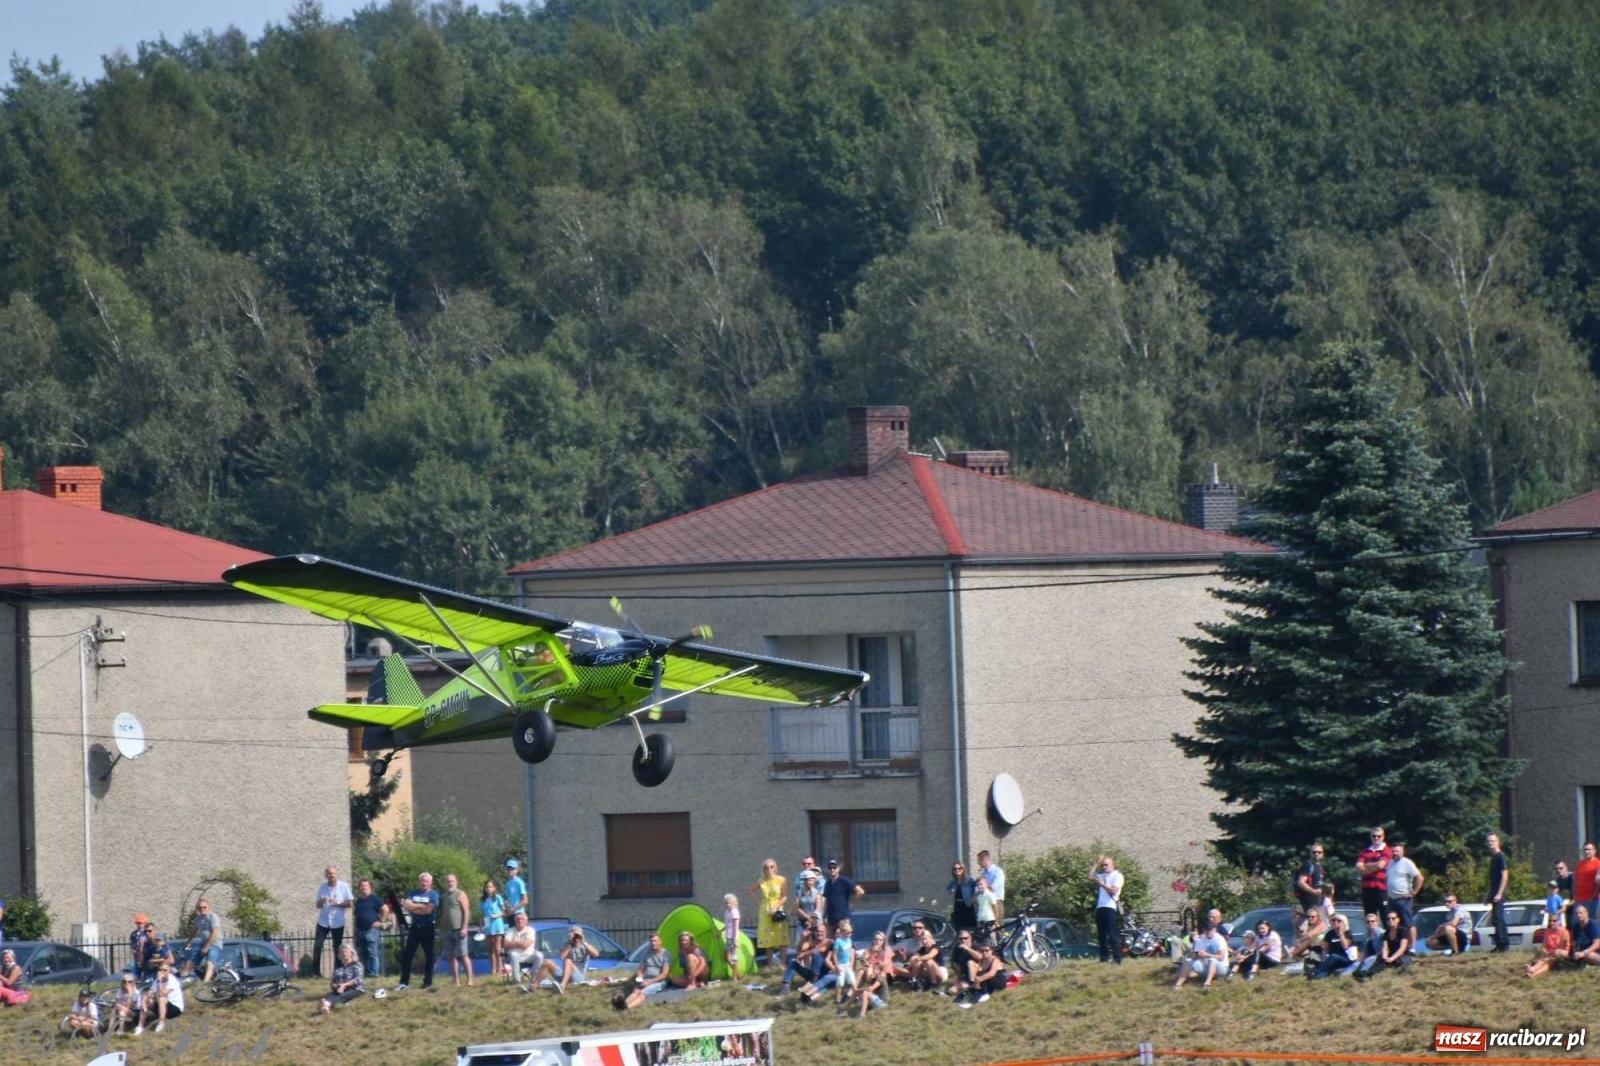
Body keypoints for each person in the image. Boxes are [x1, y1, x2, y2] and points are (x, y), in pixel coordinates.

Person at [396, 871, 439, 991]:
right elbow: (407, 905)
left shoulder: (433, 894)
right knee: (407, 954)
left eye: (426, 881)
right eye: (422, 881)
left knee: (429, 955)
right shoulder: (413, 892)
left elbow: (428, 910)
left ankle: (427, 981)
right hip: (415, 927)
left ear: (430, 883)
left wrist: (415, 907)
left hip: (428, 927)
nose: (424, 883)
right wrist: (420, 906)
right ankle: (404, 981)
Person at [313, 865, 354, 979]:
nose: (331, 876)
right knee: (317, 945)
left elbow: (350, 904)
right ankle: (315, 973)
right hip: (323, 921)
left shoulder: (343, 886)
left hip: (337, 922)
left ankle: (338, 971)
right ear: (326, 875)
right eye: (329, 873)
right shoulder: (323, 887)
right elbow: (317, 905)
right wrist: (322, 901)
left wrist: (339, 903)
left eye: (333, 873)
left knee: (337, 947)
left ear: (337, 874)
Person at [748, 860, 790, 971]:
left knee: (781, 937)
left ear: (775, 868)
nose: (769, 869)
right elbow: (750, 891)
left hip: (777, 907)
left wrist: (776, 907)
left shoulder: (781, 880)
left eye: (771, 867)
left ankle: (783, 964)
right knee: (767, 938)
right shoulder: (762, 881)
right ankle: (770, 965)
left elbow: (785, 896)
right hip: (765, 909)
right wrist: (760, 904)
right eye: (767, 867)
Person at [1385, 841, 1423, 951]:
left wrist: (1413, 892)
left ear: (1402, 851)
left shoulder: (1407, 863)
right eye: (1393, 851)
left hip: (1403, 898)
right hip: (1391, 899)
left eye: (1397, 851)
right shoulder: (1390, 863)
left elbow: (1419, 878)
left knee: (1408, 923)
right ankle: (1396, 947)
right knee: (1392, 924)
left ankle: (1413, 948)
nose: (1395, 853)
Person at [504, 912, 559, 990]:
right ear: (515, 921)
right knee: (513, 954)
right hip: (515, 957)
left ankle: (535, 980)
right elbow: (505, 944)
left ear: (526, 921)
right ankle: (516, 981)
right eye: (518, 919)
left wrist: (513, 943)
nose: (520, 921)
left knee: (539, 955)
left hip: (529, 956)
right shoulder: (511, 931)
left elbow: (525, 945)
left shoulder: (530, 930)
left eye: (522, 919)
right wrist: (520, 943)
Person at [439, 873, 473, 988]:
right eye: (448, 881)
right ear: (445, 883)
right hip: (448, 930)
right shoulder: (444, 897)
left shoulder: (460, 894)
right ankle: (456, 981)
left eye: (452, 881)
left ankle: (470, 980)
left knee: (463, 955)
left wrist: (464, 927)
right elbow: (443, 914)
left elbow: (466, 911)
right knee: (451, 956)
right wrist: (442, 930)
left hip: (459, 929)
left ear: (456, 882)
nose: (450, 883)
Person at [619, 934, 670, 1010]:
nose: (653, 943)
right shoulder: (646, 953)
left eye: (655, 941)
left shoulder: (666, 954)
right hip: (646, 979)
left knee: (643, 993)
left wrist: (648, 983)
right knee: (636, 991)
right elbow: (641, 969)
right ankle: (622, 1005)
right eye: (651, 941)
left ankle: (627, 1008)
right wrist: (639, 979)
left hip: (659, 981)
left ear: (660, 942)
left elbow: (664, 975)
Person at [1174, 921, 1229, 989]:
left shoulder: (1219, 939)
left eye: (1210, 930)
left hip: (1221, 968)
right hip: (1206, 967)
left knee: (1213, 960)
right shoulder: (1200, 940)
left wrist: (1207, 955)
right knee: (1188, 961)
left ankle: (1207, 984)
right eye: (1206, 930)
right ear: (1203, 930)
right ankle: (1178, 985)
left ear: (1214, 930)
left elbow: (1221, 957)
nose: (1208, 932)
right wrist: (1197, 954)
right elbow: (1195, 956)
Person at [180, 898, 222, 982]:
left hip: (214, 944)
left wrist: (207, 947)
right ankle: (181, 981)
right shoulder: (198, 919)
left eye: (204, 907)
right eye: (200, 907)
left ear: (208, 907)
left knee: (209, 963)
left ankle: (205, 983)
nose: (202, 909)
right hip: (203, 943)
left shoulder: (212, 917)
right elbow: (193, 931)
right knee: (189, 963)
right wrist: (188, 942)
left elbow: (215, 933)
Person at [352, 879, 388, 978]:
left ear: (370, 887)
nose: (364, 888)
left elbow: (385, 909)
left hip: (371, 930)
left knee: (372, 952)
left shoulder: (375, 899)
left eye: (366, 886)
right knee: (363, 953)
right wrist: (355, 930)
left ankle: (374, 973)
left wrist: (381, 921)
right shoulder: (358, 901)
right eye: (362, 886)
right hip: (360, 930)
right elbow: (356, 917)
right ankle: (367, 973)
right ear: (359, 888)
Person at [135, 962, 184, 1034]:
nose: (162, 972)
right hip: (163, 1007)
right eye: (160, 970)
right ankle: (140, 1026)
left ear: (169, 971)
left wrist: (159, 981)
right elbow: (150, 992)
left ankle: (161, 1024)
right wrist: (144, 1000)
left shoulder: (173, 981)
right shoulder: (157, 981)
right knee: (146, 999)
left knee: (161, 999)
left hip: (175, 1009)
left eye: (165, 970)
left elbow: (162, 993)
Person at [1355, 826, 1392, 921]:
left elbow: (1381, 865)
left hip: (1381, 888)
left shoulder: (1386, 850)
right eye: (1374, 836)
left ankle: (1387, 936)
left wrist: (1365, 866)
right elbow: (1358, 867)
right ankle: (1372, 935)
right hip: (1367, 888)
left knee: (1385, 917)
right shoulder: (1365, 852)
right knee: (1369, 917)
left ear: (1383, 837)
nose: (1376, 838)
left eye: (1379, 836)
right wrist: (1374, 867)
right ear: (1371, 837)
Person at [1093, 853, 1124, 964]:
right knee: (1101, 934)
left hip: (1110, 907)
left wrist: (1102, 885)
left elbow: (1114, 891)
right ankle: (1104, 958)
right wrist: (1096, 863)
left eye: (1106, 865)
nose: (1104, 867)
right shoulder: (1102, 876)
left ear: (1112, 865)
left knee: (1112, 934)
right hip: (1100, 907)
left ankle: (1117, 959)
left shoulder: (1117, 876)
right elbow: (1090, 875)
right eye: (1102, 866)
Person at [1309, 914, 1360, 979]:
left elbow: (1345, 946)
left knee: (1333, 956)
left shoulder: (1348, 933)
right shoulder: (1330, 933)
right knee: (1320, 976)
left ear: (1344, 922)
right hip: (1332, 960)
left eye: (1338, 921)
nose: (1336, 922)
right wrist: (1324, 958)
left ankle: (1315, 971)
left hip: (1345, 959)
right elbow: (1325, 949)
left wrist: (1340, 933)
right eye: (1334, 920)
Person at [783, 921, 827, 992]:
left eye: (821, 932)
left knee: (816, 954)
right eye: (817, 931)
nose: (819, 933)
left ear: (825, 932)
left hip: (823, 975)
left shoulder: (828, 941)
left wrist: (804, 954)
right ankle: (786, 986)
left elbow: (819, 950)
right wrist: (803, 937)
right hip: (812, 974)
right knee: (792, 961)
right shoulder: (813, 942)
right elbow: (800, 949)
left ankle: (814, 983)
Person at [958, 943, 1006, 1007]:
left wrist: (979, 979)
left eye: (987, 950)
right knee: (976, 986)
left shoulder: (995, 960)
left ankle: (985, 994)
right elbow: (978, 971)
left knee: (983, 977)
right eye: (982, 951)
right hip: (988, 982)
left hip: (999, 982)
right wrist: (975, 982)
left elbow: (991, 974)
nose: (984, 952)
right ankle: (971, 1002)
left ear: (991, 951)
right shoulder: (982, 960)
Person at [320, 944, 365, 1013]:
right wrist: (335, 986)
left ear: (351, 953)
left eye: (346, 952)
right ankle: (326, 1006)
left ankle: (327, 1005)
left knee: (343, 996)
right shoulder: (338, 967)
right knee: (330, 995)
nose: (344, 954)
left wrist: (345, 985)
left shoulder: (357, 965)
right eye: (342, 952)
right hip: (339, 989)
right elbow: (333, 981)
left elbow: (358, 979)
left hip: (355, 989)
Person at [1485, 832, 1511, 952]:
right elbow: (1492, 879)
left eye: (1493, 841)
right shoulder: (1493, 857)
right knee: (1495, 919)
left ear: (1498, 842)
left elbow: (1504, 875)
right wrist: (1488, 895)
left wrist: (1499, 893)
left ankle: (1503, 945)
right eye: (1489, 841)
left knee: (1499, 918)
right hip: (1494, 892)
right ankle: (1499, 944)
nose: (1491, 843)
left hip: (1499, 893)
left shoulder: (1501, 856)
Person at [821, 860, 863, 932]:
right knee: (831, 942)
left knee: (843, 940)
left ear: (838, 869)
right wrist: (824, 916)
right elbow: (826, 900)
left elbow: (860, 891)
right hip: (831, 919)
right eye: (830, 868)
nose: (832, 869)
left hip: (843, 919)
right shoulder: (827, 883)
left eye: (834, 867)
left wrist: (850, 902)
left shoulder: (844, 881)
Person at [1524, 913, 1570, 978]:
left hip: (1561, 954)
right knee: (1542, 960)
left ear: (1559, 922)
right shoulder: (1547, 932)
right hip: (1549, 954)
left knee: (1548, 961)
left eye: (1554, 921)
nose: (1552, 922)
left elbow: (1560, 948)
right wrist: (1545, 952)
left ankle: (1534, 974)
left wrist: (1549, 954)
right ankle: (1532, 969)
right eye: (1550, 921)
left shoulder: (1564, 932)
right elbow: (1543, 946)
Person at [481, 880, 508, 980]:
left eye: (490, 887)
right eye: (487, 887)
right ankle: (492, 969)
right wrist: (480, 927)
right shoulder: (483, 900)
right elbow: (482, 914)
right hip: (488, 925)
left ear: (494, 888)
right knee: (490, 948)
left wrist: (497, 915)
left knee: (497, 947)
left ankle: (500, 968)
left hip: (497, 923)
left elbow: (503, 911)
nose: (488, 889)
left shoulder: (497, 898)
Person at [907, 925, 946, 990]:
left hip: (940, 971)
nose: (924, 941)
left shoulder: (936, 947)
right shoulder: (922, 949)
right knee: (917, 962)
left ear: (930, 939)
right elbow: (914, 957)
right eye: (922, 940)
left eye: (926, 939)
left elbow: (929, 956)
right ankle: (915, 981)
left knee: (928, 961)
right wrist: (914, 960)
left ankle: (933, 983)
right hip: (929, 972)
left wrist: (918, 959)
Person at [559, 926, 596, 992]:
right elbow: (562, 957)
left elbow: (595, 954)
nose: (576, 938)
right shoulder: (567, 945)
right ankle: (535, 987)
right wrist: (570, 944)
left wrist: (583, 942)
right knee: (547, 963)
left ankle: (562, 986)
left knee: (568, 961)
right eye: (574, 936)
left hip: (579, 976)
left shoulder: (585, 946)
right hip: (566, 975)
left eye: (578, 936)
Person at [1294, 843, 1327, 914]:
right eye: (1314, 852)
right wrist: (1314, 891)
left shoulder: (1320, 866)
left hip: (1318, 900)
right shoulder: (1308, 865)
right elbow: (1301, 882)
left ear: (1322, 854)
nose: (1316, 854)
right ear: (1310, 853)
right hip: (1309, 900)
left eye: (1319, 852)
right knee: (1312, 919)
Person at [828, 918, 856, 1005]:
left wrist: (851, 962)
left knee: (852, 980)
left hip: (847, 964)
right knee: (840, 983)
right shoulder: (838, 941)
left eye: (851, 932)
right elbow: (834, 955)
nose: (850, 934)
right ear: (843, 932)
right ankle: (838, 999)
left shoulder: (849, 940)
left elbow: (850, 952)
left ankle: (855, 996)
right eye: (848, 932)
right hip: (840, 964)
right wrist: (836, 966)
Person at [977, 850, 1006, 924]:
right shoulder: (983, 874)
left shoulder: (998, 872)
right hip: (986, 904)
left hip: (996, 902)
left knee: (998, 927)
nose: (978, 863)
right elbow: (978, 889)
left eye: (979, 860)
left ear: (984, 859)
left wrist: (983, 887)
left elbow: (993, 888)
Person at [947, 861, 977, 933]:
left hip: (967, 906)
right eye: (955, 869)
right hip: (958, 906)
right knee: (958, 929)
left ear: (963, 869)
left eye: (960, 868)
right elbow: (948, 890)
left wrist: (973, 898)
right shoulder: (953, 882)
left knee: (970, 929)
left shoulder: (969, 880)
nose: (957, 870)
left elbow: (978, 888)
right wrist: (950, 893)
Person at [795, 870, 825, 938]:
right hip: (802, 921)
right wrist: (807, 917)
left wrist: (812, 918)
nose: (811, 882)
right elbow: (797, 908)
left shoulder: (816, 893)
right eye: (809, 880)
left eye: (813, 880)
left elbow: (818, 908)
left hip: (814, 922)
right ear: (805, 881)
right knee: (801, 941)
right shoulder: (799, 893)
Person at [1575, 842, 1600, 922]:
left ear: (1594, 851)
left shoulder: (1598, 863)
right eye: (1585, 849)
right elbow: (1576, 880)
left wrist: (1594, 896)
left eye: (1589, 849)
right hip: (1579, 900)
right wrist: (1575, 895)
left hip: (1592, 900)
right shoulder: (1580, 864)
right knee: (1578, 924)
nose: (1586, 852)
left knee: (1592, 922)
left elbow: (1598, 883)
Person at [973, 874, 998, 946]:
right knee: (983, 940)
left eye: (981, 884)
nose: (980, 886)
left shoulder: (989, 894)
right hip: (981, 921)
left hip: (989, 921)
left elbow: (995, 907)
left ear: (986, 884)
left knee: (992, 940)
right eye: (978, 885)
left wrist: (996, 920)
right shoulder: (979, 896)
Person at [722, 893, 743, 980]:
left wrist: (735, 940)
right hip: (728, 936)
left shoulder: (735, 912)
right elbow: (727, 924)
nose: (728, 904)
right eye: (726, 903)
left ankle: (735, 978)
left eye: (730, 903)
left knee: (733, 957)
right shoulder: (727, 911)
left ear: (734, 903)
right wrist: (720, 931)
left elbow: (735, 926)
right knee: (727, 957)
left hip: (733, 937)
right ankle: (737, 974)